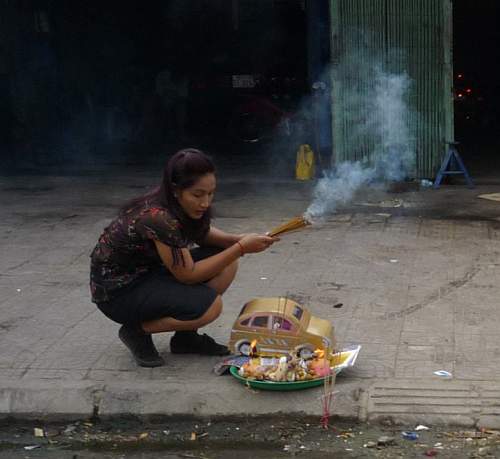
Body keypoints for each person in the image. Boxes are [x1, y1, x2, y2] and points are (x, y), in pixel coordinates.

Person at [90, 148, 278, 367]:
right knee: (211, 307)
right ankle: (136, 331)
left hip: (150, 273)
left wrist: (241, 239)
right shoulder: (158, 218)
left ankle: (185, 338)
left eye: (210, 193)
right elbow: (188, 275)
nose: (205, 203)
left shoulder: (176, 205)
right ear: (176, 190)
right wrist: (240, 247)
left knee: (226, 262)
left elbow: (204, 234)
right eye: (197, 195)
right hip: (119, 292)